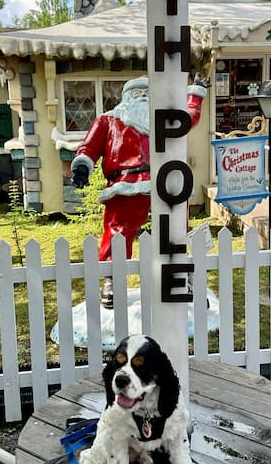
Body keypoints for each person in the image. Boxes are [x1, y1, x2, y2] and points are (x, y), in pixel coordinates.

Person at [71, 74, 208, 307]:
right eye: (138, 94)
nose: (143, 98)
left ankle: (177, 276)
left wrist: (195, 94)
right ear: (126, 97)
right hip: (125, 182)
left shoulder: (163, 120)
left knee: (174, 230)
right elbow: (89, 146)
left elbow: (188, 118)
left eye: (148, 94)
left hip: (165, 179)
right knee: (119, 229)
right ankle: (113, 278)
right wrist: (82, 166)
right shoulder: (108, 120)